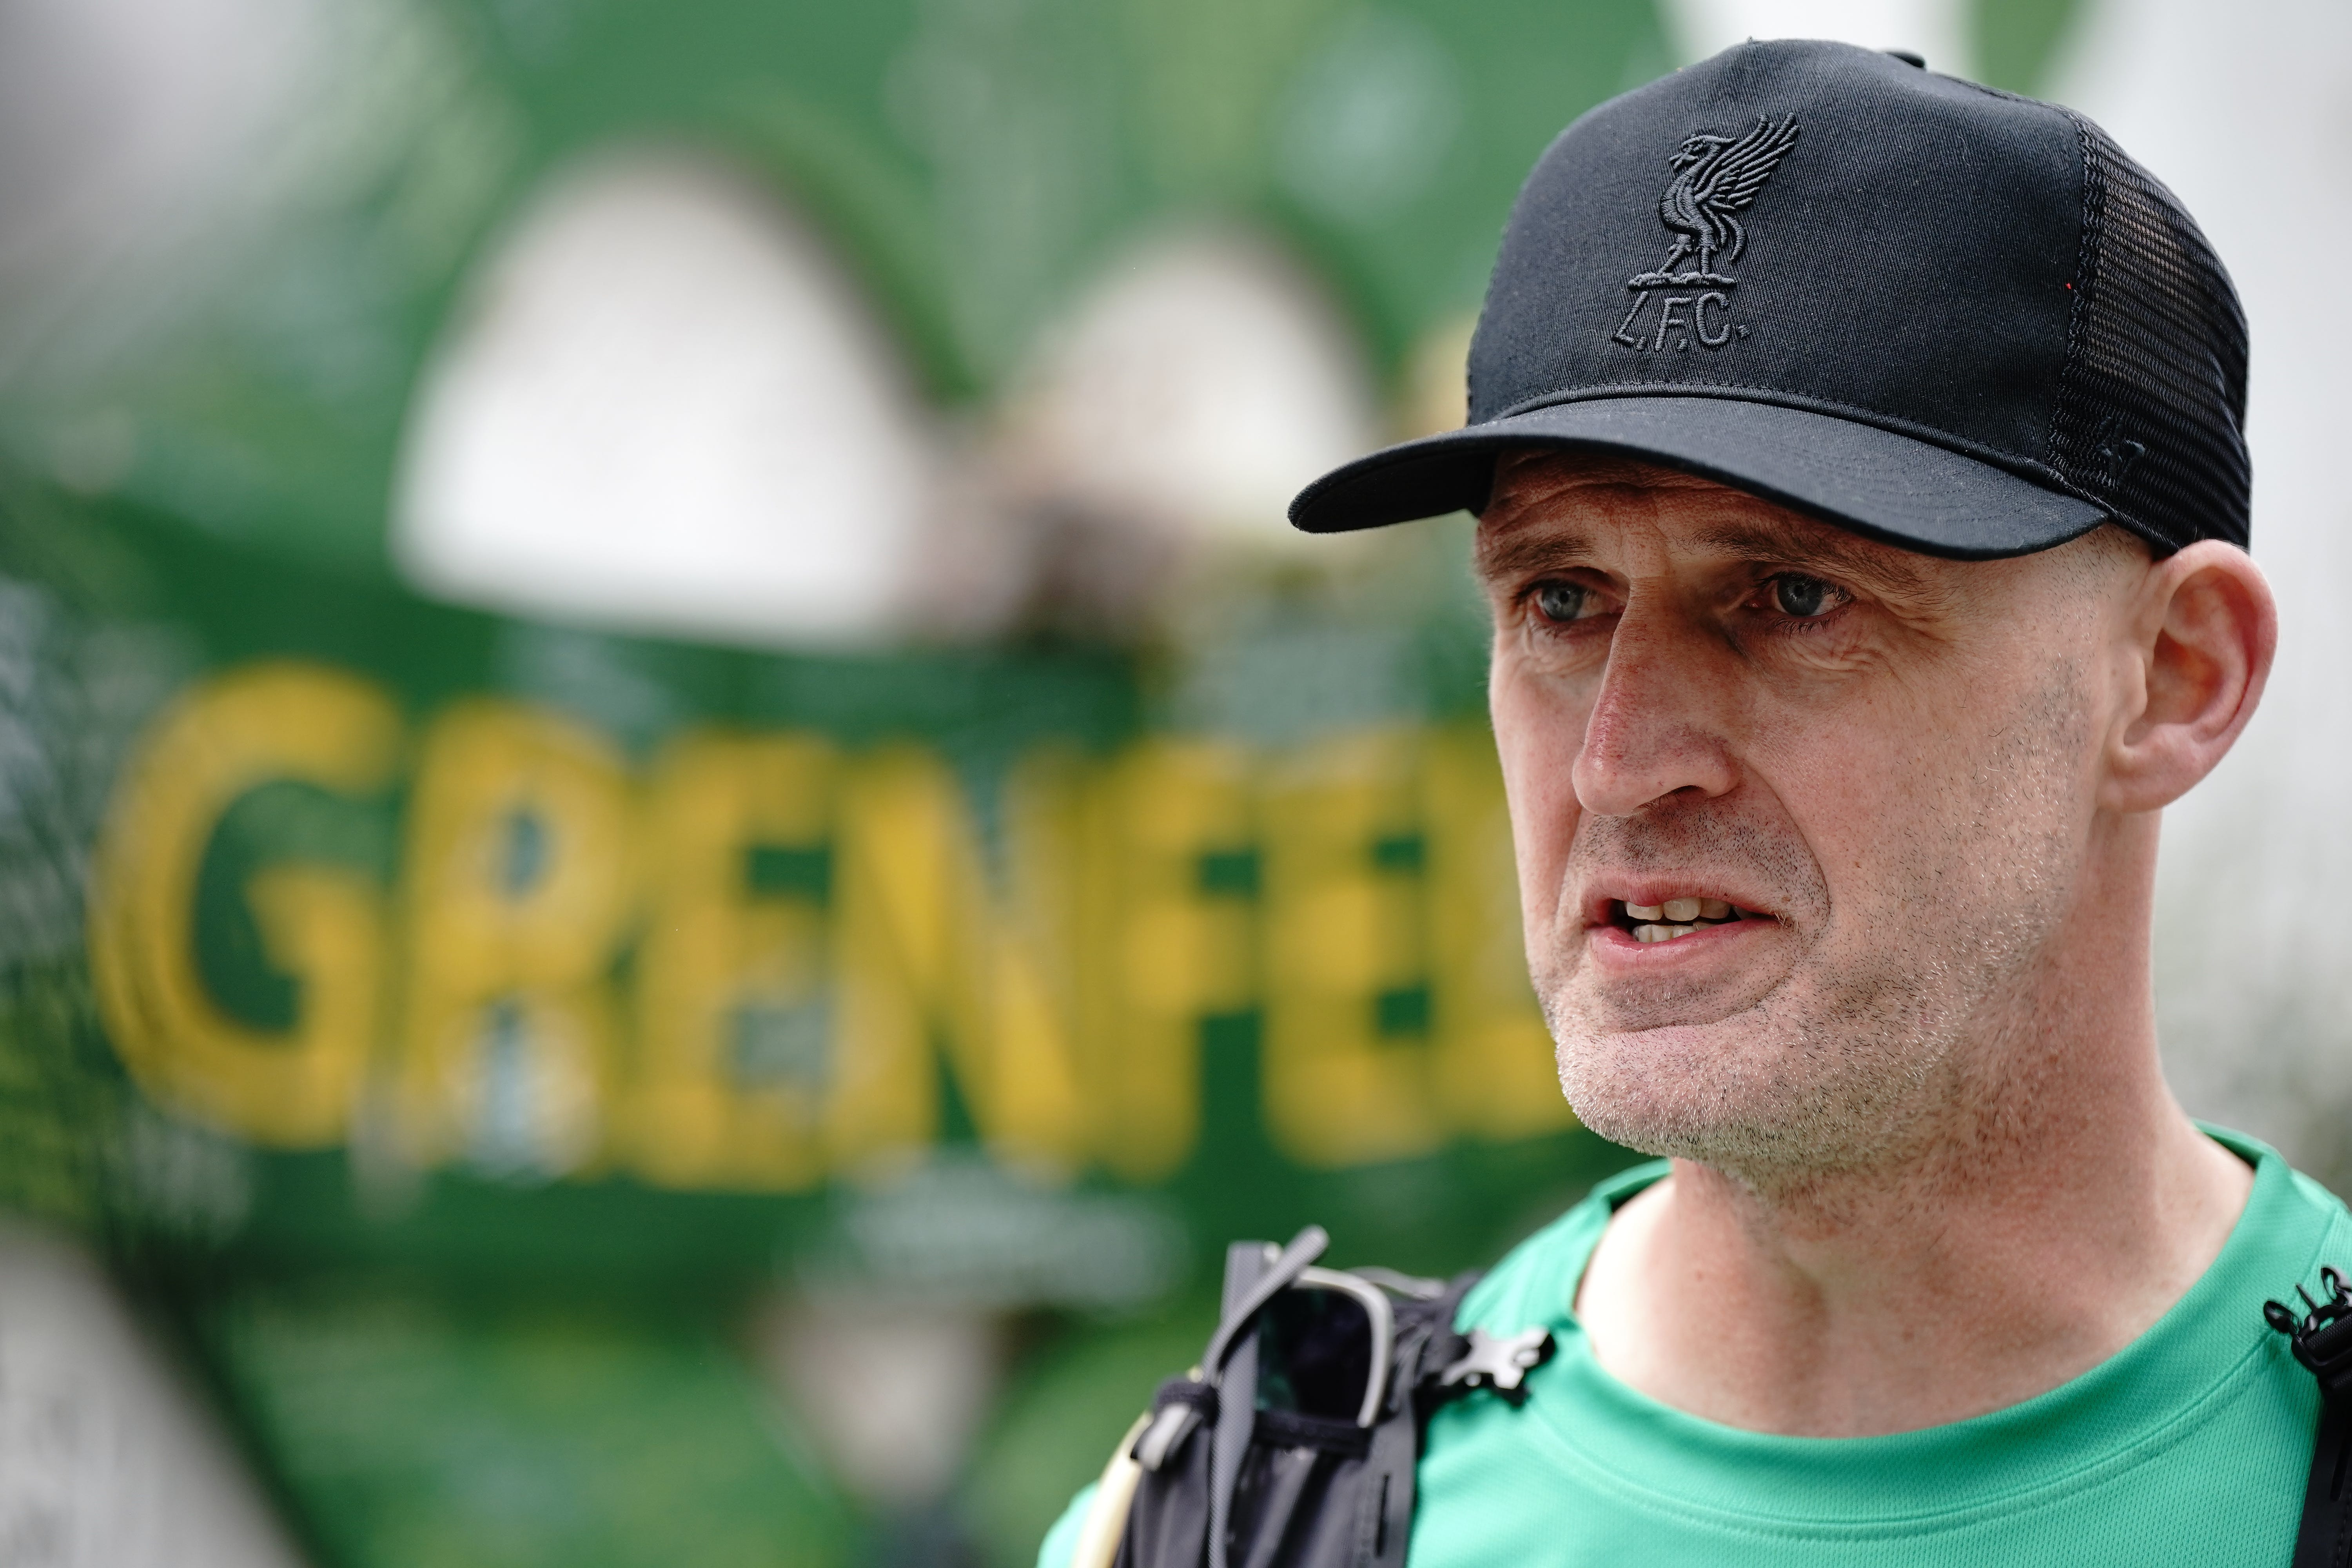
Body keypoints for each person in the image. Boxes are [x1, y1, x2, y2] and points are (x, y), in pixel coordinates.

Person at [1041, 38, 2347, 1565]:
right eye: (1560, 598)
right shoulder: (1247, 1514)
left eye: (1793, 596)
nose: (1618, 759)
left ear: (2177, 676)